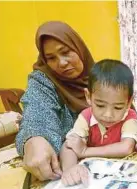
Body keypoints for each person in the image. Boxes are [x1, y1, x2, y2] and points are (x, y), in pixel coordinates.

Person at [15, 21, 95, 181]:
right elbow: (37, 111)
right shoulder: (43, 80)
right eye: (51, 58)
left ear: (79, 47)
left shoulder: (102, 77)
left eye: (65, 52)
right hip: (69, 173)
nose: (62, 63)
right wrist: (34, 139)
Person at [59, 59, 137, 186]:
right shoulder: (86, 117)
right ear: (88, 96)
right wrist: (70, 169)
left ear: (128, 102)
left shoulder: (130, 117)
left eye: (117, 107)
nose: (108, 115)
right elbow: (69, 146)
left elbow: (126, 147)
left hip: (127, 177)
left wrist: (85, 151)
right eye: (100, 105)